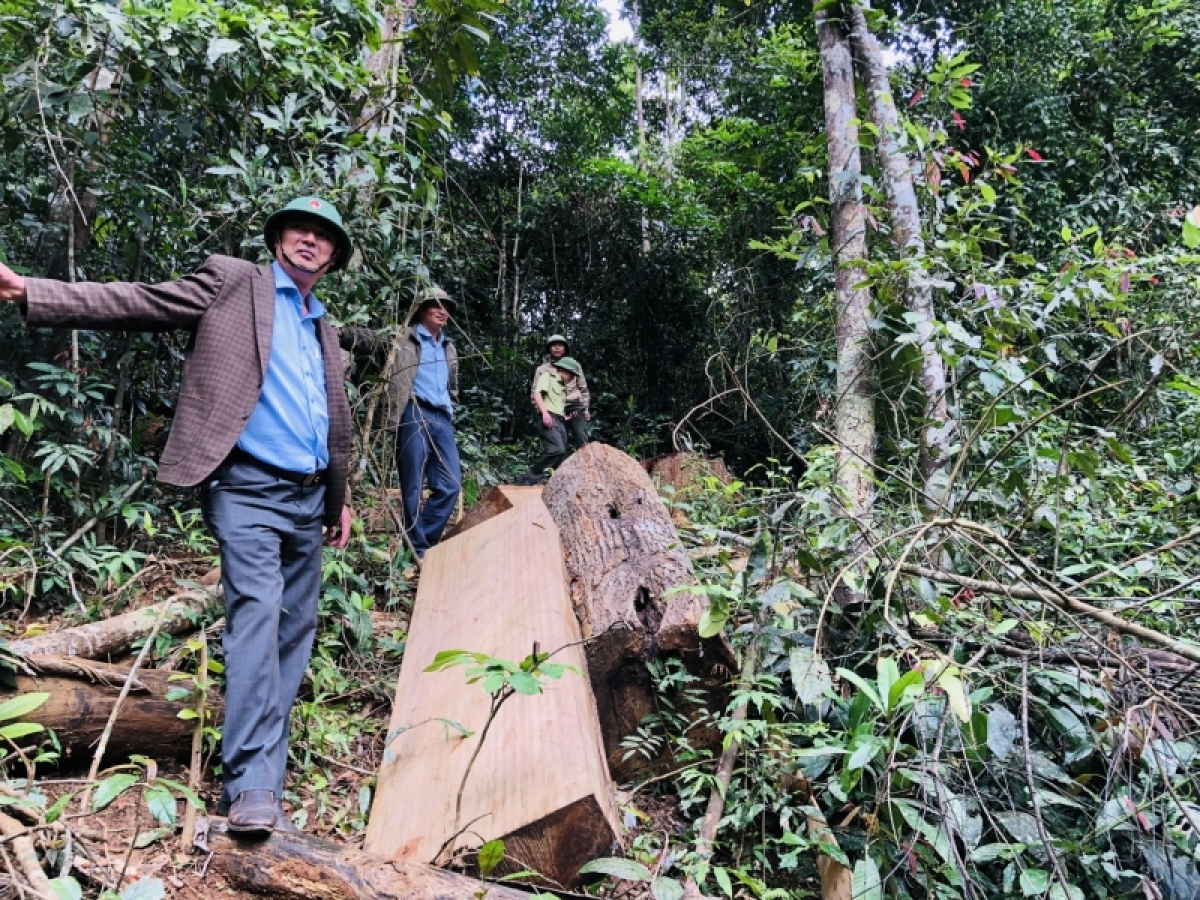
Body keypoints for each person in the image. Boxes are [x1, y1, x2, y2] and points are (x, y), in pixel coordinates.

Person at [0, 196, 355, 836]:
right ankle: (250, 787)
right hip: (247, 490)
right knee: (254, 620)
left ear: (333, 256)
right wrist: (32, 290)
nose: (309, 239)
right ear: (279, 239)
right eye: (299, 228)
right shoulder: (234, 282)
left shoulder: (321, 326)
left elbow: (335, 420)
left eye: (323, 235)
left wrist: (340, 497)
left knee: (293, 635)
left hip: (308, 500)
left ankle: (264, 770)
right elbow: (140, 301)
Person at [340, 287, 460, 559]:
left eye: (447, 307)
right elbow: (370, 339)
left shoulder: (449, 346)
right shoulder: (403, 336)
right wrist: (342, 334)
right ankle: (418, 549)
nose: (443, 311)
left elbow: (452, 384)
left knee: (450, 484)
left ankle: (423, 540)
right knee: (413, 483)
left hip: (442, 416)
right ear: (421, 308)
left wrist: (451, 405)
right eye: (436, 305)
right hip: (413, 410)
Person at [521, 356, 582, 485]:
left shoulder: (563, 388)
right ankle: (530, 477)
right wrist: (544, 413)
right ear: (563, 370)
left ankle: (552, 485)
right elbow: (537, 395)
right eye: (571, 374)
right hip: (549, 417)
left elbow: (557, 407)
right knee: (556, 450)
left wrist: (567, 418)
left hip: (559, 420)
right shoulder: (547, 377)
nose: (571, 378)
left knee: (562, 455)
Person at [531, 334, 590, 450]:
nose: (557, 348)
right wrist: (543, 413)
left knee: (580, 436)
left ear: (565, 349)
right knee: (558, 443)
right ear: (549, 349)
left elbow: (583, 389)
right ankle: (558, 467)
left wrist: (586, 408)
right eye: (554, 345)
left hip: (573, 405)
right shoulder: (542, 370)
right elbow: (535, 393)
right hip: (553, 408)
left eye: (560, 345)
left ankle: (586, 464)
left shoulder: (574, 365)